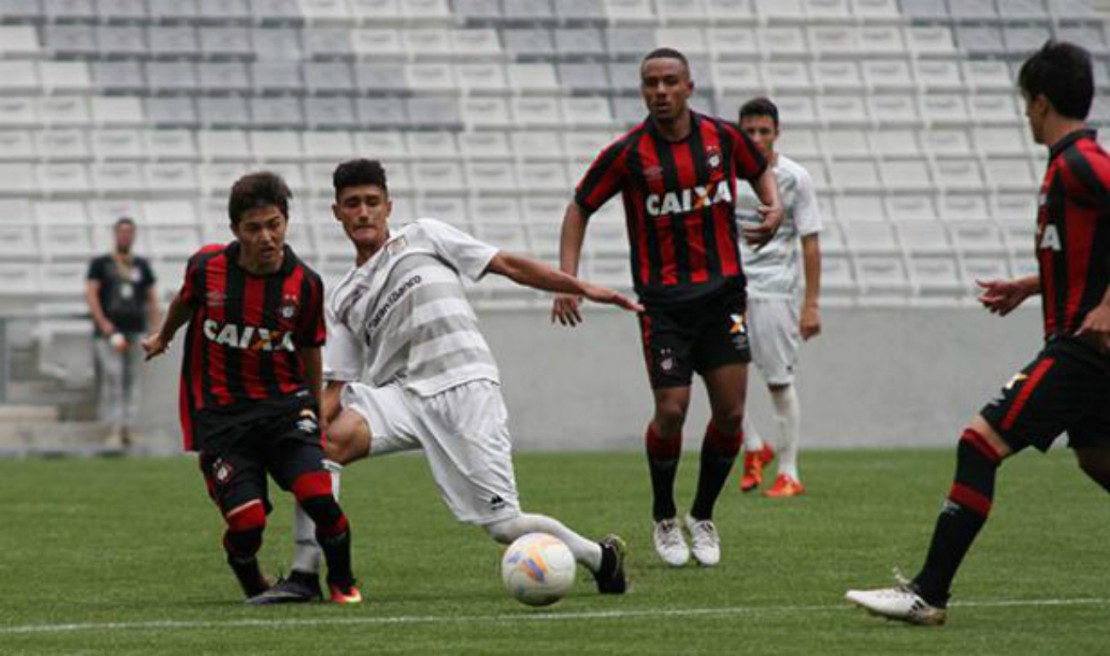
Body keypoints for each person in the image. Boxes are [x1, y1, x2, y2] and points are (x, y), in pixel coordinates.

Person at [251, 159, 638, 604]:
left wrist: (580, 287)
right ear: (337, 212)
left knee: (504, 526)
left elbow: (507, 264)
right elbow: (337, 386)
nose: (363, 212)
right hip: (403, 396)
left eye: (372, 202)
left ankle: (600, 558)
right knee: (326, 443)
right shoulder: (343, 297)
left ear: (388, 206)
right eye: (352, 204)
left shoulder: (425, 235)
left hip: (465, 386)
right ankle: (306, 573)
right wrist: (301, 434)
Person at [846, 40, 1110, 626]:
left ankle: (928, 593)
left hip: (1083, 348)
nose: (1025, 115)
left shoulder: (1080, 162)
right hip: (1087, 345)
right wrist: (1030, 285)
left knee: (979, 443)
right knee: (1098, 460)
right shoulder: (1067, 164)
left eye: (1025, 103)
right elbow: (1086, 256)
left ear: (1041, 103)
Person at [551, 47, 784, 568]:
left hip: (723, 296)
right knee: (672, 410)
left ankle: (702, 516)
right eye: (651, 83)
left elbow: (759, 170)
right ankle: (663, 515)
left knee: (731, 414)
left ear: (688, 87)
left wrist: (775, 207)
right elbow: (579, 207)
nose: (660, 91)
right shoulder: (629, 153)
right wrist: (568, 280)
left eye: (670, 82)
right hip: (664, 306)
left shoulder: (722, 138)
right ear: (643, 90)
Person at [141, 172, 361, 604]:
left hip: (285, 411)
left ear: (286, 222)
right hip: (224, 419)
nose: (266, 237)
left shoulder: (305, 284)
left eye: (274, 225)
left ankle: (343, 584)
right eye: (254, 228)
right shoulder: (207, 268)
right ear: (235, 230)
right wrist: (163, 336)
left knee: (319, 496)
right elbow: (184, 301)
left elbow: (310, 349)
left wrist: (314, 408)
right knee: (247, 522)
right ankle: (252, 579)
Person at [734, 98, 823, 497]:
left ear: (776, 133)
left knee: (777, 381)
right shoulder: (726, 176)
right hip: (730, 292)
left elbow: (810, 243)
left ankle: (789, 472)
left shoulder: (794, 178)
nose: (756, 138)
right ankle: (755, 446)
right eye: (749, 131)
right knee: (719, 373)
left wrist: (811, 304)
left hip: (775, 291)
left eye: (763, 131)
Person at [85, 217, 159, 448]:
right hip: (109, 332)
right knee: (113, 378)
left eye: (129, 232)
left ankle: (129, 427)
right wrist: (102, 322)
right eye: (121, 232)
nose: (125, 236)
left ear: (134, 235)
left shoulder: (141, 265)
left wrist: (156, 330)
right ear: (115, 234)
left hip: (135, 330)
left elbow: (152, 298)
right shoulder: (101, 263)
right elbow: (92, 294)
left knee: (132, 379)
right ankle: (113, 428)